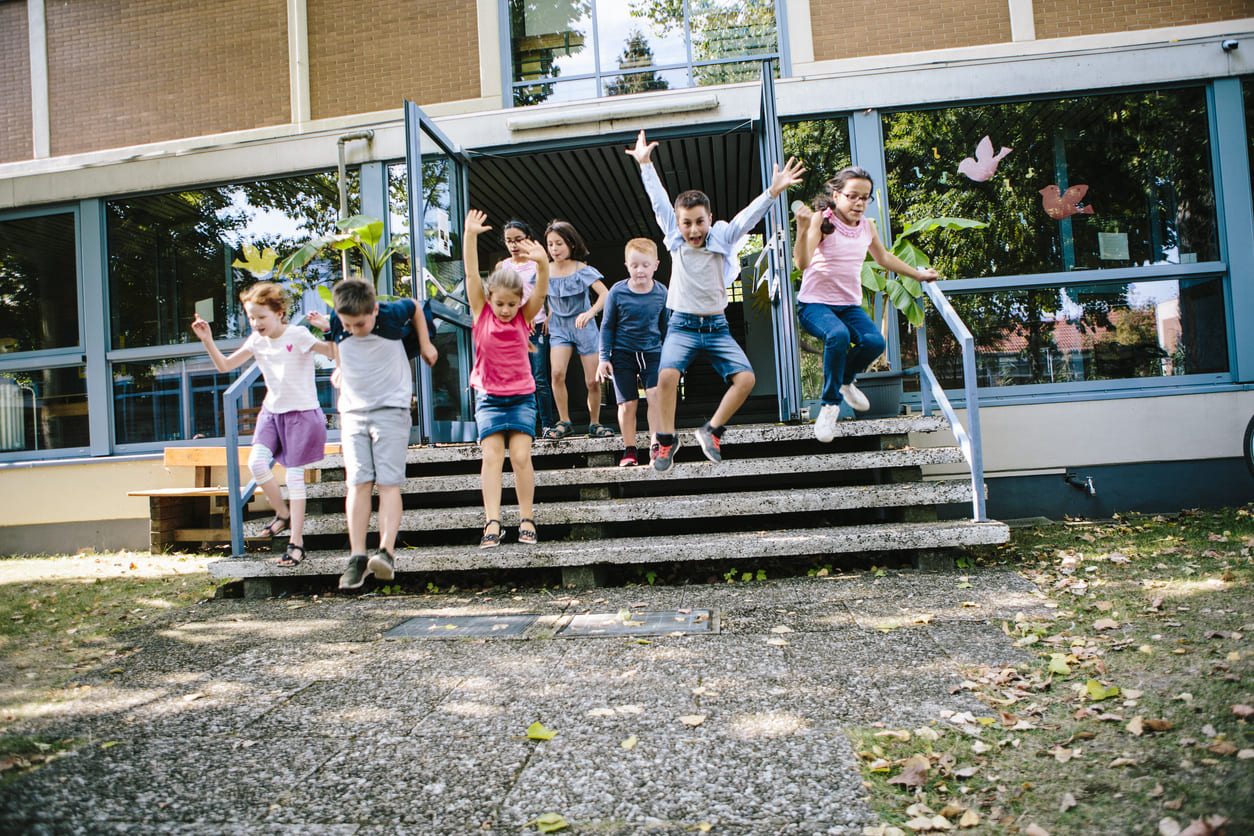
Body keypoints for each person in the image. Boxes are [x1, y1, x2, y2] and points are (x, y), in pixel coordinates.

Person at [625, 129, 805, 473]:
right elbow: (659, 202)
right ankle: (665, 440)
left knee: (746, 379)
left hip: (717, 327)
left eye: (700, 223)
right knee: (665, 377)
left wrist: (773, 191)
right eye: (687, 224)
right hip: (682, 325)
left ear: (709, 219)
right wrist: (646, 164)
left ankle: (712, 430)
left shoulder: (722, 236)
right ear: (678, 225)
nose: (694, 231)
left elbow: (747, 218)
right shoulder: (675, 238)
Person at [306, 279, 438, 591]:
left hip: (391, 409)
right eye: (347, 323)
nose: (353, 328)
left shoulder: (392, 314)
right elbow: (341, 345)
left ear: (375, 309)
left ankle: (386, 552)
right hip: (352, 412)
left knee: (388, 482)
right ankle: (356, 556)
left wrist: (425, 344)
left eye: (360, 323)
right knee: (358, 482)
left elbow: (417, 308)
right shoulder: (339, 324)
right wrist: (339, 365)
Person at [191, 282, 335, 567]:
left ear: (279, 313)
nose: (255, 323)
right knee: (257, 464)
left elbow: (335, 353)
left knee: (294, 478)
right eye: (251, 317)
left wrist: (329, 328)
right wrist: (207, 340)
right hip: (271, 413)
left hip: (302, 415)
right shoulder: (256, 340)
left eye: (261, 317)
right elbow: (225, 366)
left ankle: (296, 544)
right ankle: (282, 514)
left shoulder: (298, 334)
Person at [793, 166, 939, 442]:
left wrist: (918, 274)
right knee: (838, 335)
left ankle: (846, 380)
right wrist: (802, 228)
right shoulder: (820, 221)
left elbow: (883, 259)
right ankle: (829, 406)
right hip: (814, 305)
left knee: (874, 342)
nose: (860, 203)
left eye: (865, 197)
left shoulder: (867, 227)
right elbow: (801, 263)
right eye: (853, 196)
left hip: (848, 306)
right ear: (837, 195)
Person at [463, 209, 550, 548]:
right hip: (488, 397)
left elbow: (540, 295)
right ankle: (492, 522)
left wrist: (542, 265)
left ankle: (527, 519)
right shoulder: (480, 313)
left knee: (521, 457)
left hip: (521, 398)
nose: (505, 310)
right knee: (491, 458)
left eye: (512, 305)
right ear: (490, 300)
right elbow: (472, 275)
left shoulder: (522, 318)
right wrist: (471, 236)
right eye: (500, 304)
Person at [596, 238, 670, 467]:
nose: (640, 270)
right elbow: (607, 326)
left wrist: (671, 358)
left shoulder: (662, 293)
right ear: (627, 265)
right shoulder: (617, 292)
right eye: (635, 265)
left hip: (652, 351)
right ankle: (630, 450)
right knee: (628, 404)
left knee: (655, 395)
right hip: (623, 353)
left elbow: (666, 327)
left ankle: (655, 446)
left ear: (656, 265)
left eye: (646, 265)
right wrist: (603, 358)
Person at [542, 220, 613, 440]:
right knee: (556, 373)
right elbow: (539, 295)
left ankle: (595, 423)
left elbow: (605, 294)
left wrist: (590, 313)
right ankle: (564, 422)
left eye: (559, 243)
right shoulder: (544, 270)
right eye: (550, 244)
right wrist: (547, 314)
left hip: (584, 325)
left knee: (592, 380)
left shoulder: (581, 269)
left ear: (571, 244)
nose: (554, 249)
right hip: (559, 328)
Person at [496, 220, 554, 434]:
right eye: (509, 241)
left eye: (518, 240)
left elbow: (550, 292)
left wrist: (550, 315)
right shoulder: (502, 266)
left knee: (539, 378)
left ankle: (546, 424)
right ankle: (521, 425)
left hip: (537, 328)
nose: (513, 245)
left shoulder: (538, 263)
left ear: (528, 239)